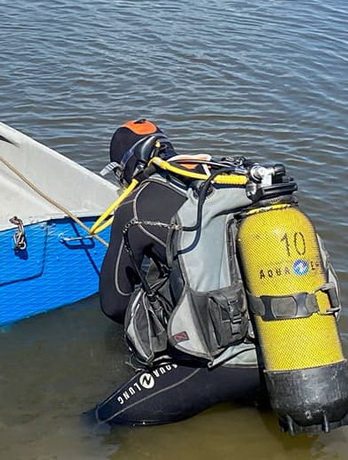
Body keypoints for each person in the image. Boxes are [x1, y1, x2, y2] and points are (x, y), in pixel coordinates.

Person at [94, 119, 263, 426]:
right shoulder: (222, 178)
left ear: (126, 169)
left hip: (223, 363)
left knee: (101, 420)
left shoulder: (134, 206)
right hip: (288, 345)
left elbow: (114, 304)